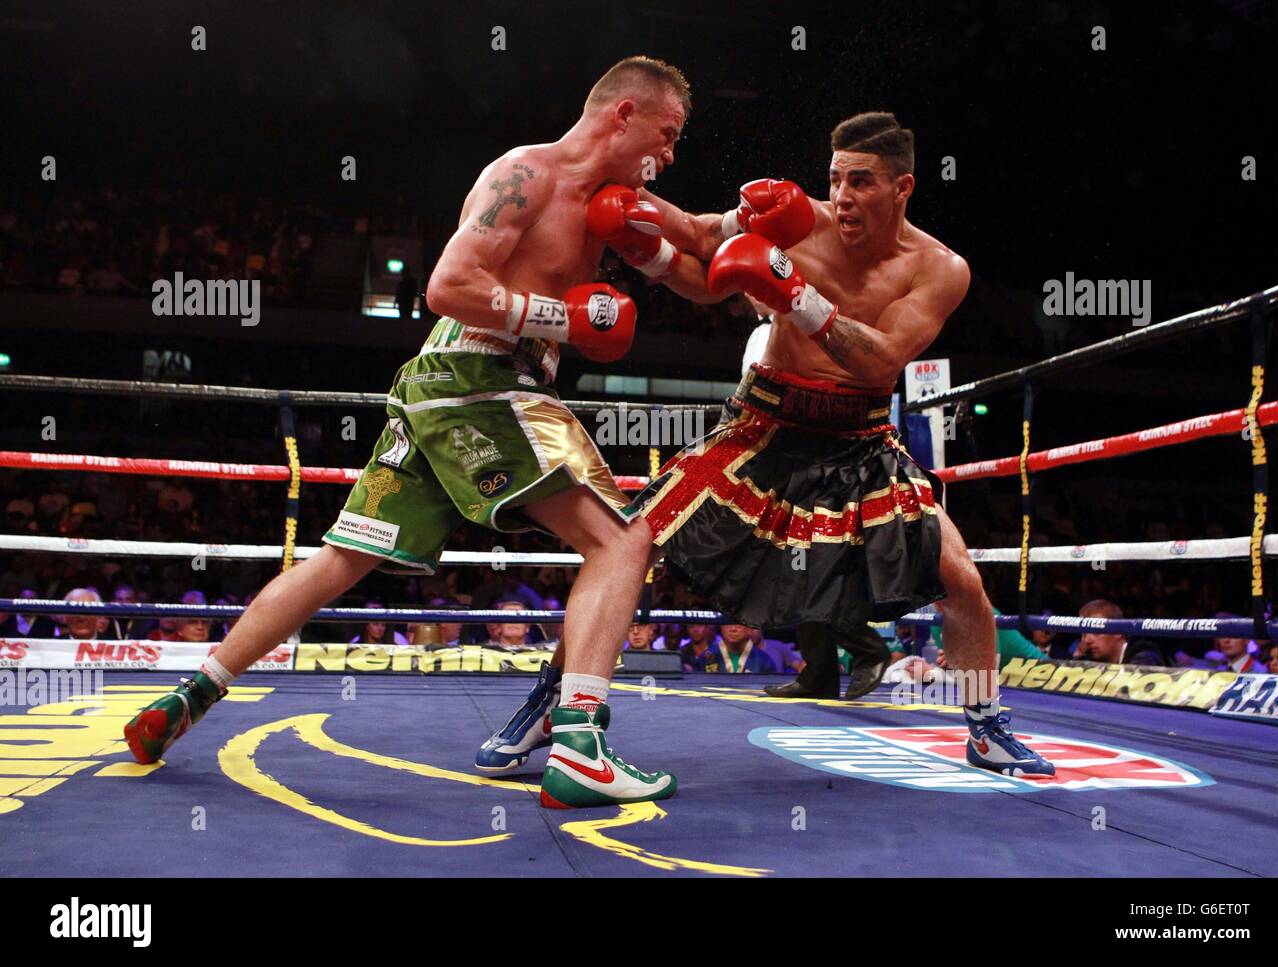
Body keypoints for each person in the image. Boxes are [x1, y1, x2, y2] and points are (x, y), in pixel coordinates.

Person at [125, 56, 692, 810]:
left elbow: (697, 242)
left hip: (441, 387)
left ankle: (189, 697)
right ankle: (581, 741)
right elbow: (447, 287)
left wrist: (763, 230)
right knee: (621, 540)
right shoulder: (525, 174)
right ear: (624, 114)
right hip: (483, 377)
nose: (672, 155)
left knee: (343, 557)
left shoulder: (611, 202)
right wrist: (563, 319)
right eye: (670, 133)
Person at [492, 110, 1054, 777]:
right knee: (630, 543)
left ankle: (986, 726)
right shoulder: (796, 216)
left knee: (960, 580)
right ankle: (553, 703)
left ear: (903, 188)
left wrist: (795, 291)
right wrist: (631, 215)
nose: (842, 196)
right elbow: (701, 235)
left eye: (863, 182)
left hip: (861, 443)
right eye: (836, 178)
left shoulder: (939, 268)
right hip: (762, 427)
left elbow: (880, 362)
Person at [1073, 599, 1167, 666]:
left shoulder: (1144, 656)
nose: (1087, 640)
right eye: (1084, 634)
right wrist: (1078, 660)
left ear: (1118, 632)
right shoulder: (1091, 658)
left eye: (1096, 631)